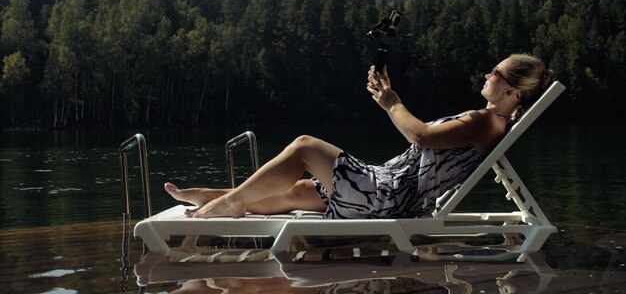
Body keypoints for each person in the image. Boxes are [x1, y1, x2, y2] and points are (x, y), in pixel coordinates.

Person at [165, 53, 555, 219]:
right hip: (389, 195)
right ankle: (216, 198)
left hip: (385, 197)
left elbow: (421, 136)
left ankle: (229, 203)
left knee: (305, 146)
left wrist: (390, 102)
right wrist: (389, 98)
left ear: (512, 92)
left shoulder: (485, 121)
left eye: (496, 73)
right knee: (300, 189)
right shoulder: (491, 123)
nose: (488, 75)